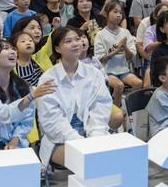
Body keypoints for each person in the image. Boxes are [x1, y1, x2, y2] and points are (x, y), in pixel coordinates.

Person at [36, 27, 113, 167]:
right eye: (68, 41)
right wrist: (79, 141)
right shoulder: (47, 79)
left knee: (112, 157)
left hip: (91, 131)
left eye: (77, 39)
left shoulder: (94, 74)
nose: (76, 44)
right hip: (59, 139)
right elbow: (52, 121)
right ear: (57, 49)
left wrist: (96, 135)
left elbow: (101, 107)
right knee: (88, 162)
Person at [0, 40, 55, 152]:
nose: (13, 52)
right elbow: (3, 114)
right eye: (5, 48)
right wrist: (30, 97)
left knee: (33, 163)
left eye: (13, 49)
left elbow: (26, 119)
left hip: (13, 143)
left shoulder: (21, 85)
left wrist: (15, 138)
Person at [94, 0, 142, 97]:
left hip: (124, 71)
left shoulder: (125, 32)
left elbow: (130, 57)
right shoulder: (100, 35)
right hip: (107, 72)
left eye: (120, 12)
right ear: (106, 14)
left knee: (138, 83)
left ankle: (127, 103)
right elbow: (100, 59)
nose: (118, 15)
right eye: (115, 12)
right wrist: (117, 50)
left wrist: (124, 47)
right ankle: (116, 106)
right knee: (119, 85)